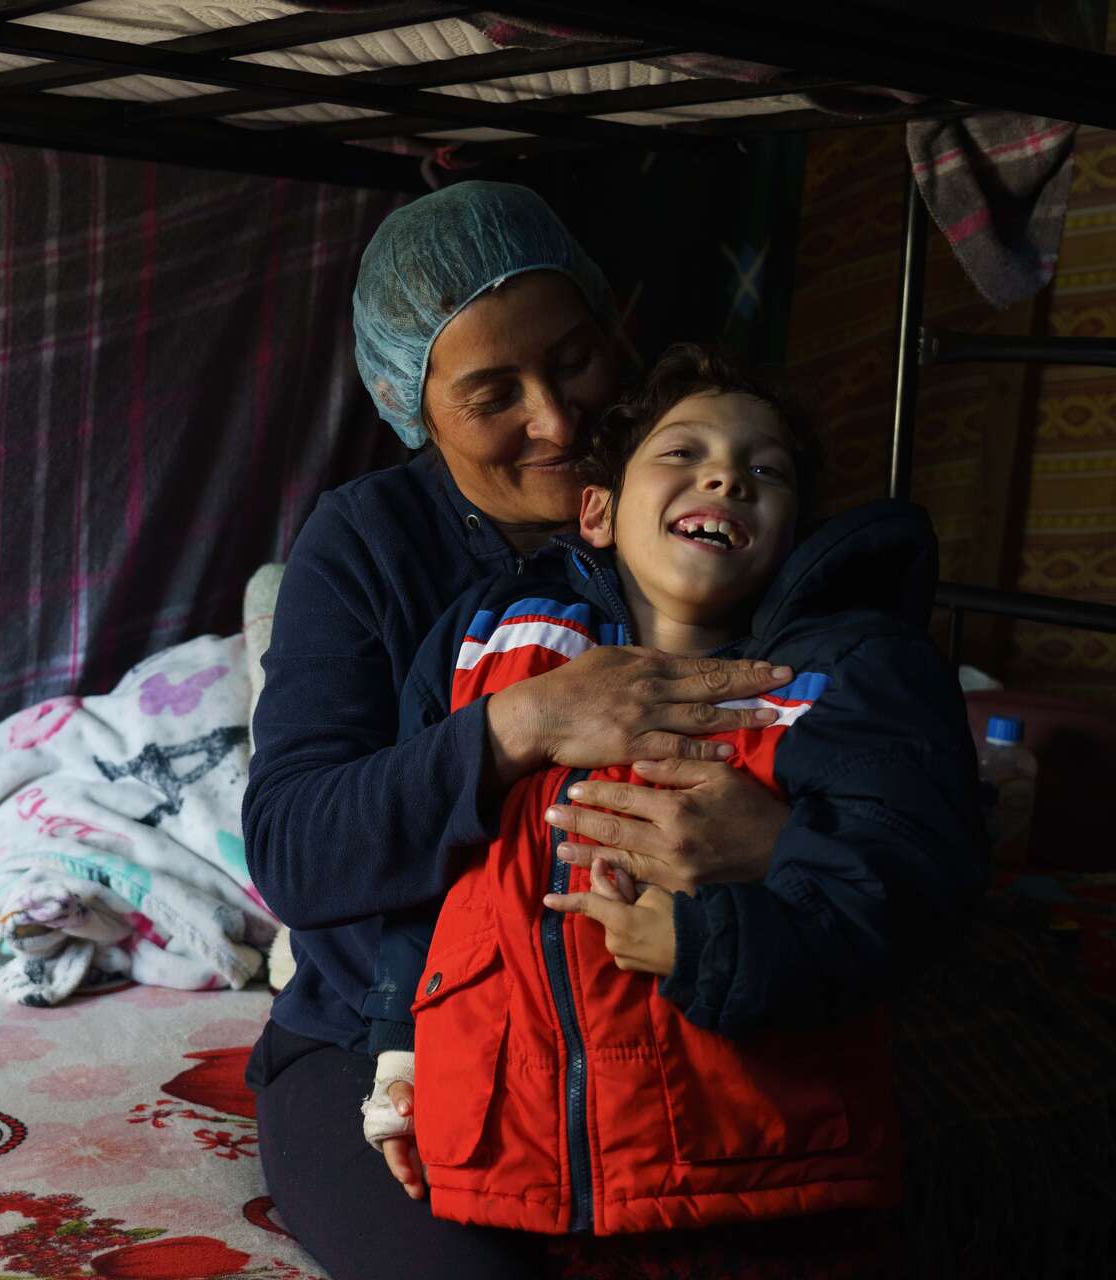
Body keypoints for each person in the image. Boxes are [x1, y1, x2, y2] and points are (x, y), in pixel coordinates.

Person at [243, 183, 798, 1279]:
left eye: (575, 359)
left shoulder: (721, 503)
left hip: (682, 1026)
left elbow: (858, 749)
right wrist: (527, 720)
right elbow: (295, 843)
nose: (556, 419)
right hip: (383, 1037)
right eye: (493, 391)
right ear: (415, 404)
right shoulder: (367, 545)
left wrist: (779, 843)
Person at [360, 345, 986, 1235]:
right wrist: (400, 1053)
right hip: (501, 1168)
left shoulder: (846, 676)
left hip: (763, 1184)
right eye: (684, 453)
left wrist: (714, 939)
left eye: (764, 470)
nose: (726, 478)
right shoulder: (489, 647)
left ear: (792, 531)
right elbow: (424, 870)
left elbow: (919, 888)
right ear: (600, 511)